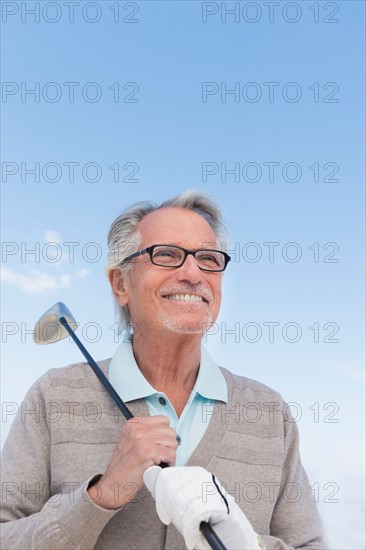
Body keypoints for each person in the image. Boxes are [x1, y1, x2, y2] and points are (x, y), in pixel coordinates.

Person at [0, 190, 327, 549]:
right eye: (167, 255)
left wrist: (250, 545)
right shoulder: (54, 396)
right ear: (120, 284)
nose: (193, 273)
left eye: (208, 258)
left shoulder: (269, 413)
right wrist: (101, 496)